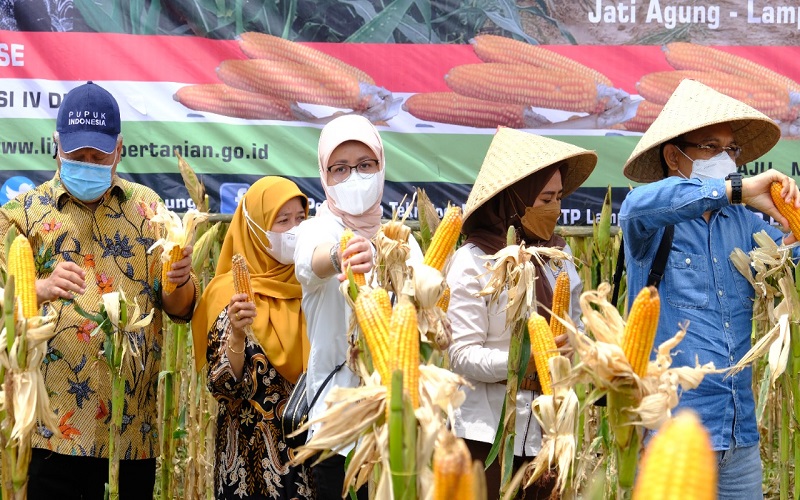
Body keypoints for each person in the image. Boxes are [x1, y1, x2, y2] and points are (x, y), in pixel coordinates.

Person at [0, 81, 199, 498]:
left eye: (98, 156)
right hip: (49, 432)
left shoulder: (149, 211)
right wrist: (39, 287)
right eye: (77, 156)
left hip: (131, 434)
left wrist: (178, 281)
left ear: (119, 150)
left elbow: (178, 310)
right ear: (56, 146)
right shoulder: (21, 215)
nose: (87, 164)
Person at [619, 79, 800, 499]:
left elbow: (783, 264)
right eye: (710, 147)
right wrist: (735, 189)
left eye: (731, 150)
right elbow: (635, 206)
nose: (724, 159)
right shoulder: (650, 223)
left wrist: (794, 229)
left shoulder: (744, 223)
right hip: (673, 436)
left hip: (738, 435)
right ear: (673, 155)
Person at [446, 127, 597, 499]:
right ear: (516, 198)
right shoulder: (473, 261)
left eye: (559, 197)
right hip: (485, 434)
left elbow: (573, 328)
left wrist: (573, 345)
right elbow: (461, 355)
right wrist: (520, 361)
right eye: (545, 198)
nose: (555, 208)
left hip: (548, 429)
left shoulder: (559, 258)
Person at [293, 114, 422, 499]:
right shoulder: (317, 229)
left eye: (365, 165)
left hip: (397, 424)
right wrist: (341, 255)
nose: (354, 177)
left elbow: (427, 311)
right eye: (340, 168)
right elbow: (310, 263)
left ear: (381, 166)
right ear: (324, 175)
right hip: (340, 428)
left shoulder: (401, 240)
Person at [191, 176, 314, 499]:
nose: (294, 229)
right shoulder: (227, 293)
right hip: (249, 465)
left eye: (300, 218)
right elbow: (223, 387)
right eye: (282, 220)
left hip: (312, 460)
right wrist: (236, 333)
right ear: (255, 227)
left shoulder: (314, 284)